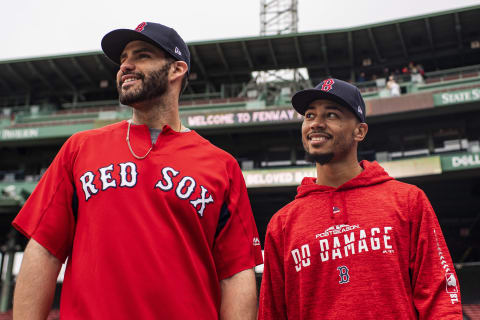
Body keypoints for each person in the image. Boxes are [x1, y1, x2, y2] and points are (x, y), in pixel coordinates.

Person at [12, 22, 263, 320]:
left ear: (176, 69)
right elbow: (45, 250)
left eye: (142, 55)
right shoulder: (80, 149)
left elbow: (234, 274)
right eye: (122, 59)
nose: (126, 66)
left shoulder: (221, 166)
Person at [258, 78, 462, 319]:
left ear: (359, 131)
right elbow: (272, 312)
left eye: (331, 115)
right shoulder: (282, 223)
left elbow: (441, 294)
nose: (316, 124)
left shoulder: (408, 200)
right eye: (310, 115)